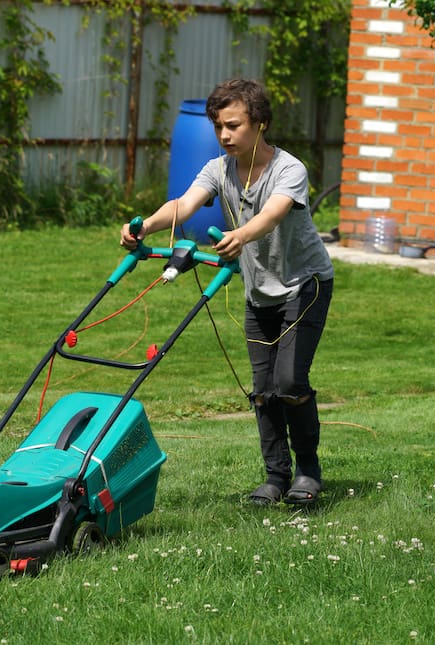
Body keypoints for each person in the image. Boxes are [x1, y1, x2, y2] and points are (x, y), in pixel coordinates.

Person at [119, 78, 334, 506]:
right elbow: (182, 205)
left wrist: (242, 233)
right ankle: (276, 477)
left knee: (290, 381)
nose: (224, 135)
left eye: (233, 125)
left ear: (261, 123)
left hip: (304, 284)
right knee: (262, 389)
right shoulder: (218, 169)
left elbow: (271, 214)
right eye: (219, 126)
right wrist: (142, 227)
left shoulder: (289, 170)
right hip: (259, 292)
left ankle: (308, 472)